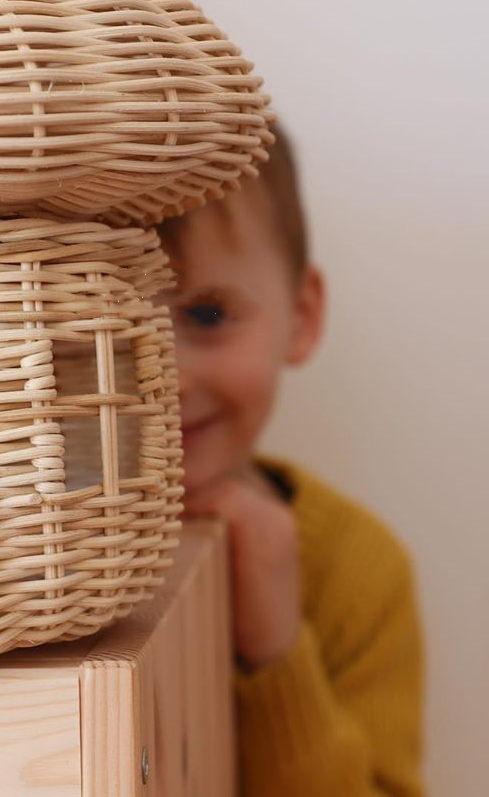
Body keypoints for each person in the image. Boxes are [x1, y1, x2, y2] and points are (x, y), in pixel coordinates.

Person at [156, 123, 426, 797]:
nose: (160, 375)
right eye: (110, 318)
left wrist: (278, 653)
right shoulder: (10, 555)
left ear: (301, 316)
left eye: (207, 315)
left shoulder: (355, 570)